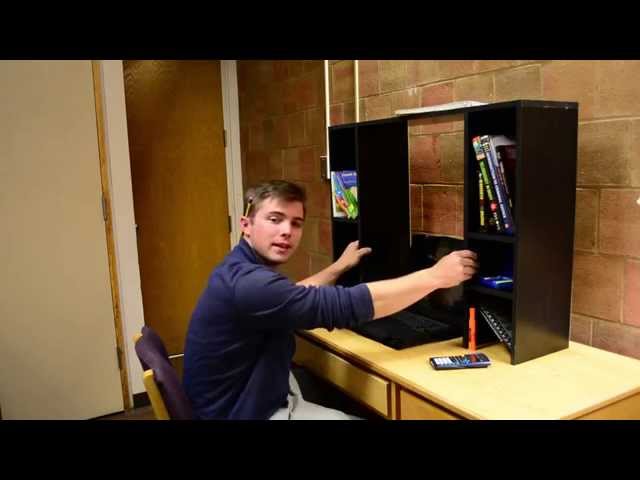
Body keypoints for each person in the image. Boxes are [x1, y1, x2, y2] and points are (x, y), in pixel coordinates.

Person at [183, 180, 477, 420]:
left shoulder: (239, 269)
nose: (287, 231)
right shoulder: (250, 284)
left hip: (240, 398)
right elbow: (346, 306)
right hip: (244, 412)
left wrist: (338, 267)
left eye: (296, 223)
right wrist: (435, 277)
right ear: (246, 225)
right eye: (275, 219)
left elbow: (294, 296)